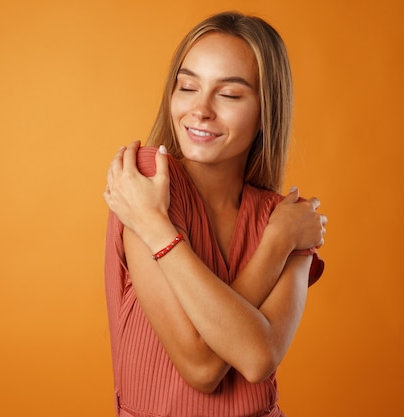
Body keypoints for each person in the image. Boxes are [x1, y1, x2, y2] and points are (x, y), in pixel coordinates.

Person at [103, 11, 327, 417]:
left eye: (230, 95)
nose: (200, 110)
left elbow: (258, 359)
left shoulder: (288, 219)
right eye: (187, 87)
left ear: (266, 112)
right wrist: (276, 246)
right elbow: (202, 367)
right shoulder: (149, 183)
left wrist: (278, 238)